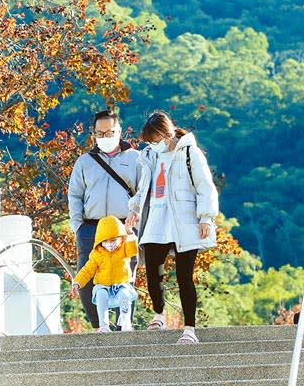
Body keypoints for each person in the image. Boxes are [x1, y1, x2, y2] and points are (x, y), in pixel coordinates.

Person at [125, 110, 218, 344]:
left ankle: (189, 330)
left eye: (156, 140)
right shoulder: (149, 156)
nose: (153, 144)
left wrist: (206, 218)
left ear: (167, 134)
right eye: (150, 141)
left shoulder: (189, 152)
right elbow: (143, 187)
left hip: (184, 221)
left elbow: (205, 187)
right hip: (156, 218)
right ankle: (159, 315)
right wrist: (134, 210)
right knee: (152, 273)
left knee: (184, 276)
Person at [68, 109, 141, 330]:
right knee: (88, 276)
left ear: (119, 131)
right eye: (100, 133)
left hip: (124, 227)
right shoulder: (85, 161)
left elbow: (142, 191)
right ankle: (100, 326)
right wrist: (77, 226)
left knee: (124, 277)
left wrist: (135, 224)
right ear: (94, 134)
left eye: (110, 132)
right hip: (91, 227)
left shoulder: (135, 158)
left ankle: (123, 326)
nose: (105, 137)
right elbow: (75, 194)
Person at [69, 215, 138, 332]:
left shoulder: (124, 249)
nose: (110, 244)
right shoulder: (97, 254)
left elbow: (133, 250)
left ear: (121, 238)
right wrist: (77, 282)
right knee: (101, 296)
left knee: (125, 297)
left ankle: (126, 321)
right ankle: (104, 325)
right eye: (105, 241)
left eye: (113, 240)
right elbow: (87, 270)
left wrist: (129, 232)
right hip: (103, 285)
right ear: (100, 241)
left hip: (121, 284)